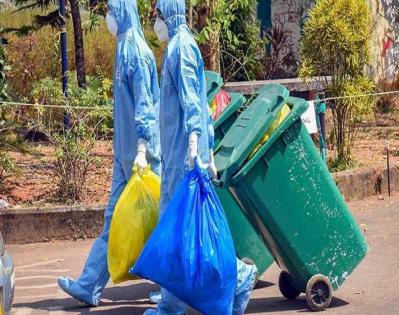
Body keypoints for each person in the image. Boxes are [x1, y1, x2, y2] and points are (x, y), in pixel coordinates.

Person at [145, 0, 257, 314]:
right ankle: (175, 301)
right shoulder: (178, 46)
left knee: (182, 228)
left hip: (184, 157)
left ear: (168, 14)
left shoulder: (181, 48)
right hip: (178, 155)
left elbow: (193, 102)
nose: (155, 22)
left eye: (156, 15)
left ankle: (234, 277)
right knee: (181, 229)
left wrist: (194, 146)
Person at [57, 0, 161, 306]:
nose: (107, 18)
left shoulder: (137, 53)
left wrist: (142, 148)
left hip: (144, 158)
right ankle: (89, 284)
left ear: (123, 12)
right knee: (113, 219)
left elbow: (145, 107)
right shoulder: (123, 47)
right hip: (125, 158)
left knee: (168, 222)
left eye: (110, 12)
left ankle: (210, 282)